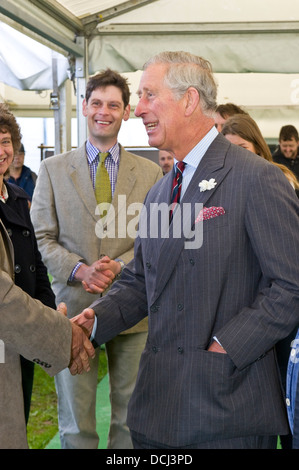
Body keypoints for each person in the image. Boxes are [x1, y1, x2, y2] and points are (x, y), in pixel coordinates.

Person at [72, 51, 299, 449]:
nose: (137, 109)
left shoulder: (256, 179)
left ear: (189, 100)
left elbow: (291, 286)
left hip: (227, 410)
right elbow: (144, 281)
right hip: (159, 411)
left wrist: (225, 348)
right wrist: (92, 321)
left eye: (148, 95)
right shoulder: (161, 191)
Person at [30, 68, 162, 449]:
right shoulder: (52, 170)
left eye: (114, 105)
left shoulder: (151, 173)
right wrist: (78, 269)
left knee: (129, 415)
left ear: (126, 111)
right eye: (98, 103)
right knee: (76, 419)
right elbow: (43, 236)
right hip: (73, 309)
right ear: (85, 107)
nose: (105, 111)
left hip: (134, 310)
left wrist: (120, 267)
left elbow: (155, 241)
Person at [0, 104, 58, 426]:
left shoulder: (19, 197)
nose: (1, 150)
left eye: (6, 141)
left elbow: (35, 263)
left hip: (26, 330)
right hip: (3, 329)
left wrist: (50, 317)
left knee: (18, 414)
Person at [221, 114, 299, 188]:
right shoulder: (219, 178)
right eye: (230, 149)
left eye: (242, 148)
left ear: (257, 147)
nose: (236, 154)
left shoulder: (278, 177)